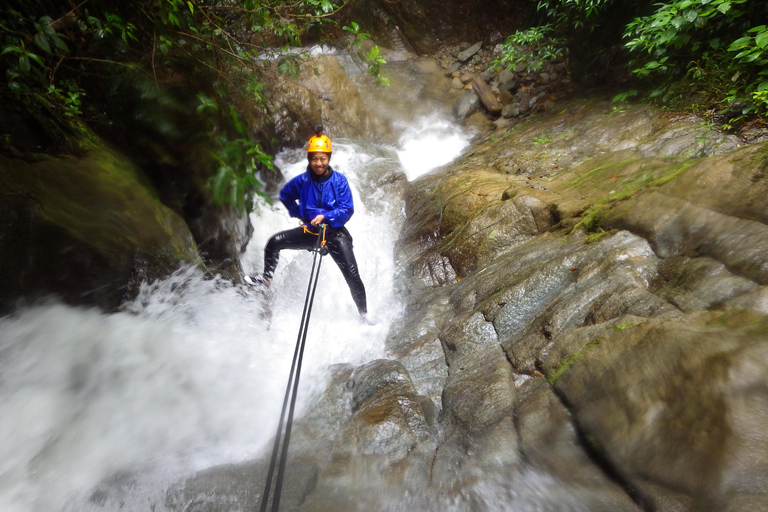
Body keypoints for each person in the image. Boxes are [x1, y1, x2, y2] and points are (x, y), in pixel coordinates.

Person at [245, 128, 368, 320]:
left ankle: (363, 315)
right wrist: (299, 213)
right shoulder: (302, 181)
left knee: (352, 275)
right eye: (315, 159)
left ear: (328, 158)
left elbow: (347, 208)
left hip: (334, 234)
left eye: (323, 159)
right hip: (310, 233)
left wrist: (326, 217)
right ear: (309, 159)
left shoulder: (339, 181)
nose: (319, 163)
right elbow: (285, 195)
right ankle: (266, 279)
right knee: (274, 243)